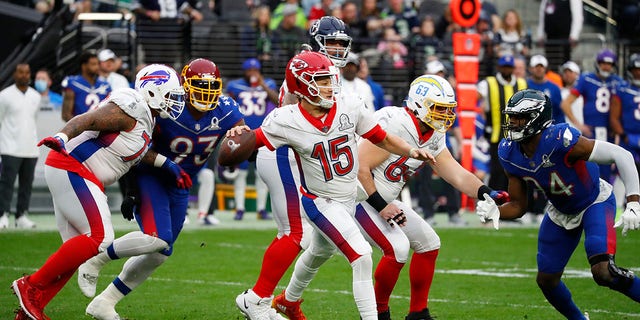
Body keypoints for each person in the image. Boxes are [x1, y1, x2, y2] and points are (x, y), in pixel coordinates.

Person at [227, 51, 435, 320]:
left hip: (348, 199)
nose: (330, 86)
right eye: (321, 81)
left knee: (319, 250)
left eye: (329, 79)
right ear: (302, 86)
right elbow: (250, 143)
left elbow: (380, 137)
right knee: (361, 255)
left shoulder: (348, 104)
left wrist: (410, 150)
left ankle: (284, 301)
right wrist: (233, 139)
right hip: (321, 201)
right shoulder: (286, 119)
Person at [10, 64, 190, 320]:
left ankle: (31, 309)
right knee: (100, 237)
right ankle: (30, 286)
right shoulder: (133, 105)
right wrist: (62, 136)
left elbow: (133, 151)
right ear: (152, 91)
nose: (175, 102)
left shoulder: (145, 117)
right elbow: (89, 119)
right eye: (171, 95)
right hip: (73, 167)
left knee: (76, 250)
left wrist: (167, 164)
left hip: (76, 172)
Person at [77, 58, 245, 320]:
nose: (206, 92)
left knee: (160, 253)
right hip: (151, 176)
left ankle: (105, 303)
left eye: (211, 86)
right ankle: (96, 259)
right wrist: (131, 190)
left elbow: (240, 131)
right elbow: (137, 146)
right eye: (199, 85)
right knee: (158, 237)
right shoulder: (168, 107)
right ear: (185, 86)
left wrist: (241, 137)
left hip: (181, 184)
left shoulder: (226, 108)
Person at [476, 89, 640, 320]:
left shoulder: (561, 139)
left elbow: (621, 155)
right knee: (546, 280)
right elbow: (519, 205)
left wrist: (633, 203)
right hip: (560, 210)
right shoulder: (508, 152)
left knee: (604, 272)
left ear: (537, 118)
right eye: (511, 117)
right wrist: (496, 211)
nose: (512, 123)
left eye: (519, 117)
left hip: (594, 200)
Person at [356, 75, 509, 320]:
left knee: (429, 243)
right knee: (397, 249)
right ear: (418, 105)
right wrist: (381, 206)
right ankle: (378, 312)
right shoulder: (394, 123)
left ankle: (418, 313)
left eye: (447, 110)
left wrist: (486, 192)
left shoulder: (433, 132)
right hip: (359, 198)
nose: (445, 116)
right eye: (438, 109)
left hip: (385, 201)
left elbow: (454, 172)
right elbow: (359, 168)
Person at [234, 16, 354, 320]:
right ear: (317, 42)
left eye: (342, 43)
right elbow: (295, 117)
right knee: (294, 233)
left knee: (320, 240)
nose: (338, 49)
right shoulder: (306, 66)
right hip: (285, 152)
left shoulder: (324, 70)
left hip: (302, 155)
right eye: (332, 42)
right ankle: (257, 298)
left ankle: (286, 299)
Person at [225, 58, 278, 221]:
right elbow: (229, 104)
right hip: (242, 133)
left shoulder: (268, 83)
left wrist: (262, 85)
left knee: (261, 174)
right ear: (244, 71)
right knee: (240, 173)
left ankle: (261, 209)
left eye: (255, 70)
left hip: (261, 134)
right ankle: (240, 208)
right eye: (249, 70)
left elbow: (277, 101)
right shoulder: (235, 85)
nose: (252, 73)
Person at [560, 48, 624, 182]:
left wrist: (618, 130)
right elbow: (566, 104)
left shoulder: (618, 82)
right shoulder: (587, 79)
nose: (606, 66)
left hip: (610, 132)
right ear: (598, 63)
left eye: (609, 63)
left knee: (608, 171)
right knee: (589, 169)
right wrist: (579, 125)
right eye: (603, 63)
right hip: (591, 131)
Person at [476, 54, 527, 192]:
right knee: (498, 171)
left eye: (509, 67)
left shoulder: (521, 83)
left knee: (517, 170)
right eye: (504, 67)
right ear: (499, 67)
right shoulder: (488, 83)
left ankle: (515, 203)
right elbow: (473, 98)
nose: (507, 70)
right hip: (496, 135)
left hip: (519, 136)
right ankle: (494, 201)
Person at [0, 63, 41, 229]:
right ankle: (3, 215)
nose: (24, 75)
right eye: (20, 72)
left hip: (30, 149)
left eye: (27, 73)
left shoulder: (35, 96)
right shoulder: (4, 95)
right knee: (6, 184)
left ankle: (21, 215)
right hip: (9, 148)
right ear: (15, 74)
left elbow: (33, 119)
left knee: (26, 185)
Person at [61, 50, 112, 121]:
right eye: (93, 64)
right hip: (80, 129)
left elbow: (109, 112)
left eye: (98, 64)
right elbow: (66, 115)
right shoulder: (73, 83)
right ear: (84, 66)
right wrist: (80, 128)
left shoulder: (105, 85)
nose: (97, 67)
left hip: (100, 128)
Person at [536, 0, 583, 71]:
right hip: (550, 39)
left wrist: (574, 35)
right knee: (551, 64)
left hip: (565, 38)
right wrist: (540, 35)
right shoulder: (546, 1)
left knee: (564, 64)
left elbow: (578, 17)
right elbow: (542, 18)